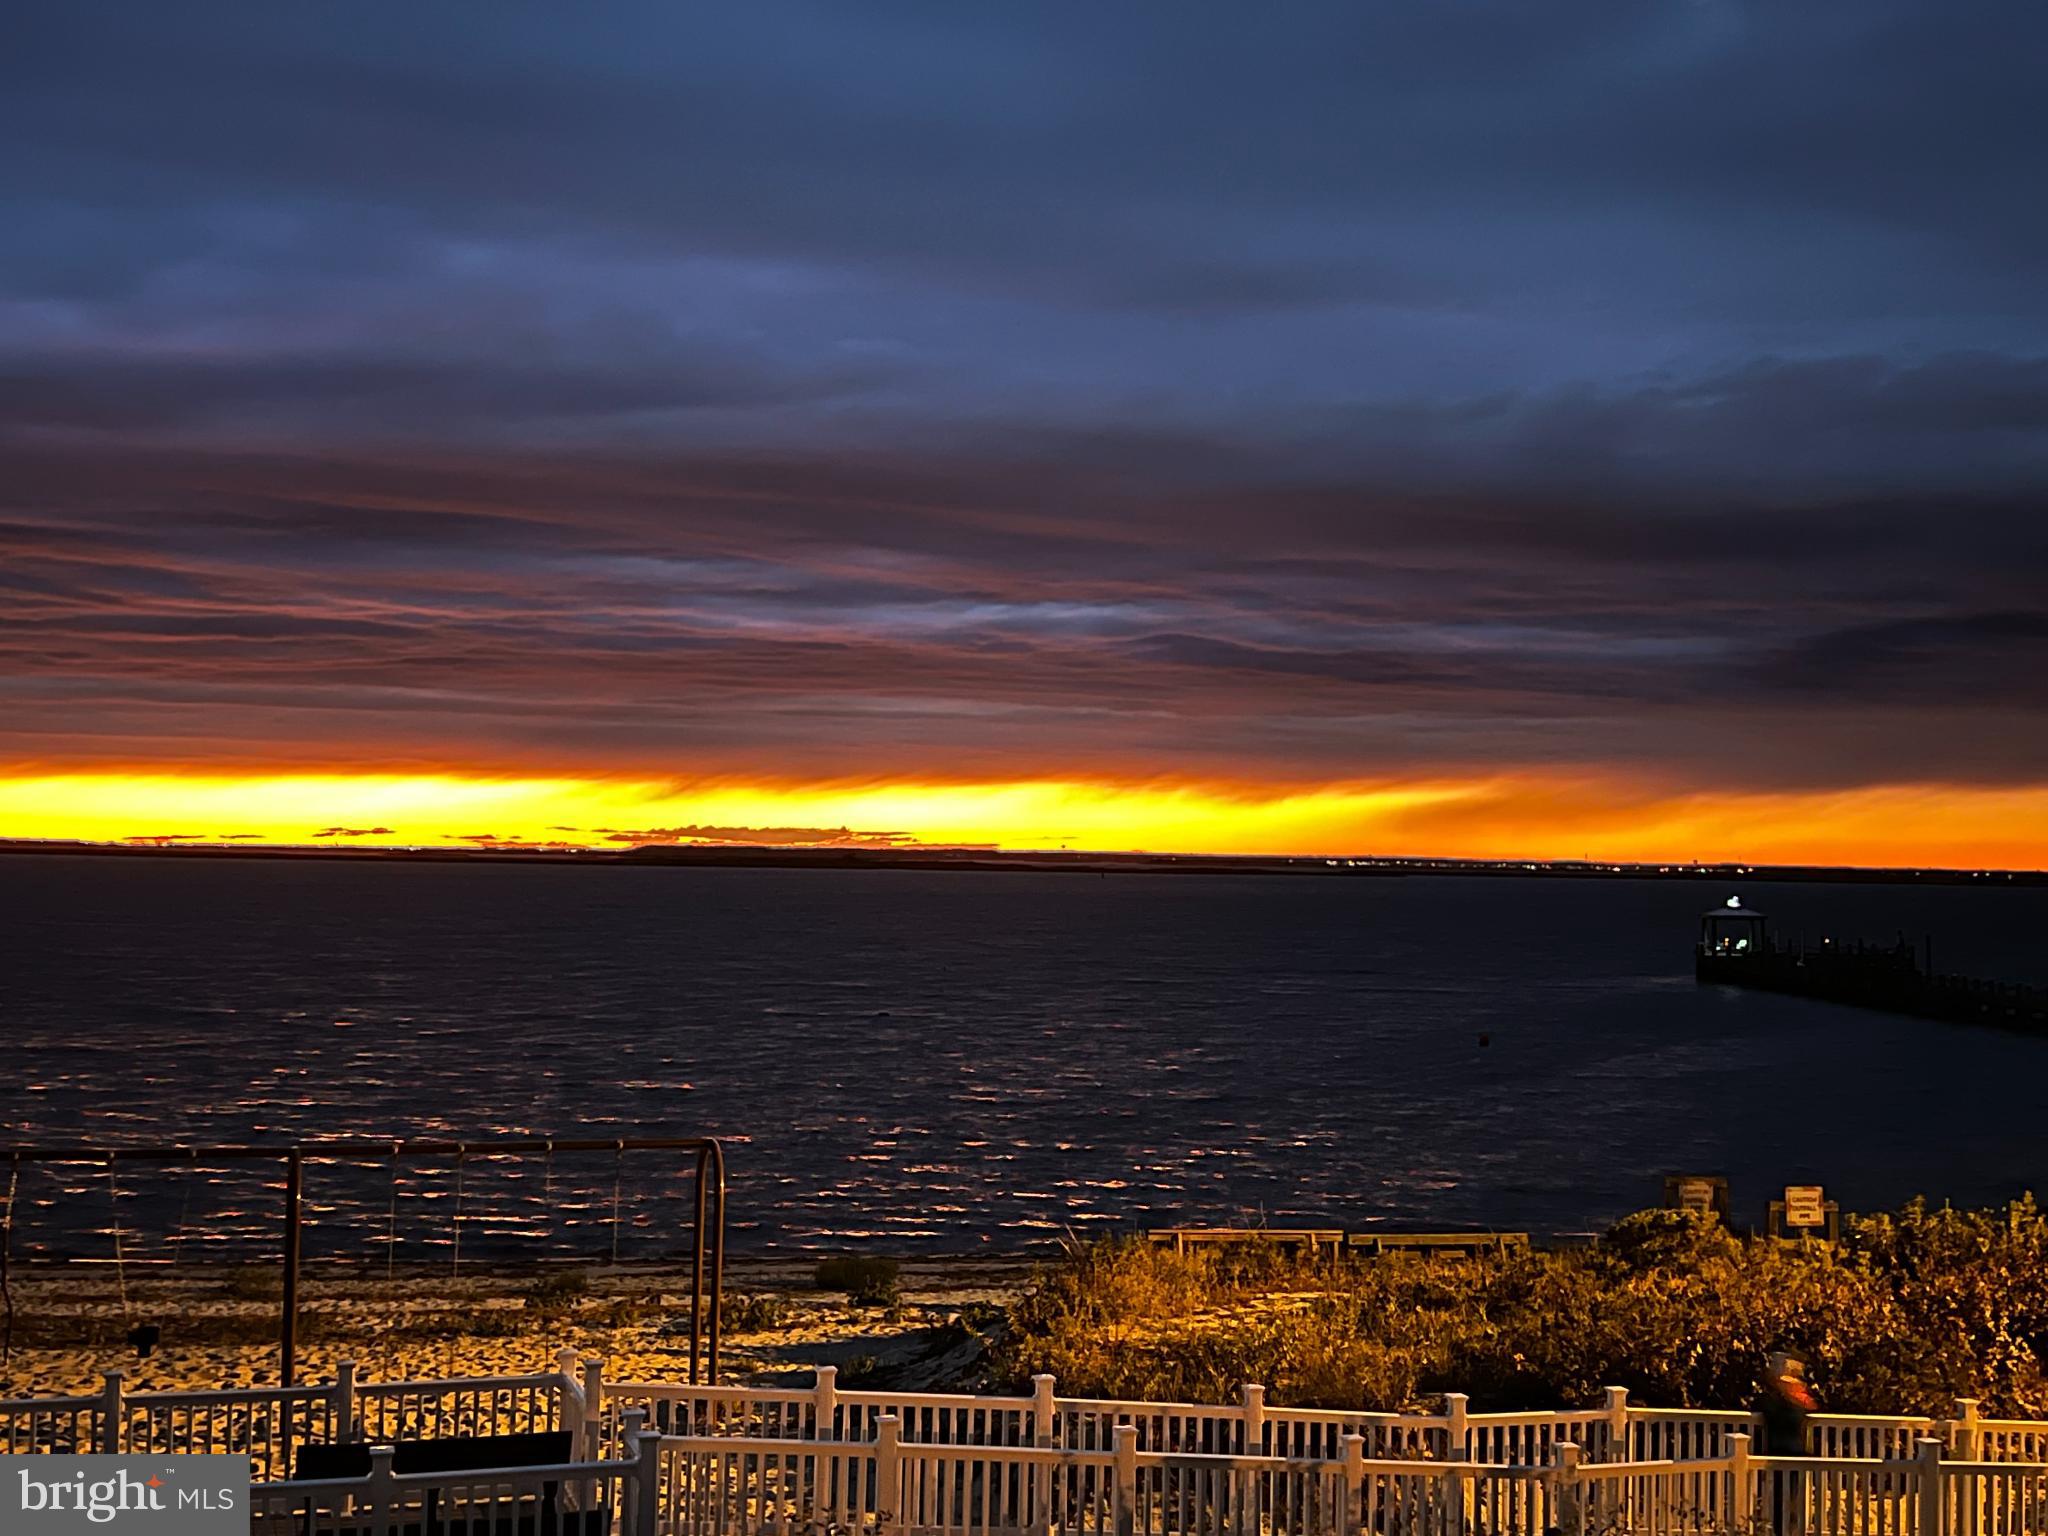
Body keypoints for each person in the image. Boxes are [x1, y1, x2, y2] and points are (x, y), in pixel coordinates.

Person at [1758, 1351, 1818, 1454]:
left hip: (1794, 1448)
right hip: (1778, 1449)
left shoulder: (1801, 1399)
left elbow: (1812, 1406)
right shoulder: (1771, 1400)